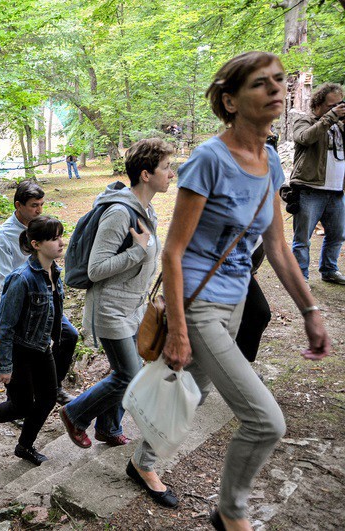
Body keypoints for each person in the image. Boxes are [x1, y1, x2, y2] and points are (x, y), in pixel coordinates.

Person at [155, 52, 329, 530]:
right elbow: (172, 251)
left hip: (234, 297)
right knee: (265, 421)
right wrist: (176, 328)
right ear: (230, 101)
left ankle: (143, 459)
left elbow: (276, 244)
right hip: (197, 302)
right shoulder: (209, 159)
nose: (276, 89)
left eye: (279, 81)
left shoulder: (271, 158)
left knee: (190, 390)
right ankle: (230, 515)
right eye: (261, 83)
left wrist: (311, 309)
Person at [60, 138, 174, 454]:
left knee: (132, 368)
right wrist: (137, 252)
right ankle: (75, 414)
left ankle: (109, 427)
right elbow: (97, 269)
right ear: (146, 174)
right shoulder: (119, 213)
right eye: (166, 167)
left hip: (133, 306)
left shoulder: (146, 209)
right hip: (110, 308)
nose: (171, 174)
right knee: (129, 376)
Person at [0, 216, 65, 466]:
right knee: (22, 406)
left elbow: (53, 315)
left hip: (41, 348)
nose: (60, 242)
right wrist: (4, 365)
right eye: (54, 238)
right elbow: (4, 327)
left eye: (60, 235)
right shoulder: (21, 278)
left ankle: (24, 446)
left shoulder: (55, 273)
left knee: (48, 399)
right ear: (36, 244)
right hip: (19, 351)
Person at [0, 180, 78, 405]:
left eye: (41, 204)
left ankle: (54, 386)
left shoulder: (41, 227)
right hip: (20, 301)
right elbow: (3, 278)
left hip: (44, 298)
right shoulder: (4, 236)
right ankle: (16, 403)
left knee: (68, 335)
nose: (39, 210)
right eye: (33, 205)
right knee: (20, 352)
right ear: (18, 205)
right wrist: (5, 313)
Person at [289, 82, 345, 284]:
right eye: (332, 106)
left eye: (339, 105)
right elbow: (304, 138)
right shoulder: (305, 121)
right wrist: (330, 118)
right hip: (310, 190)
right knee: (302, 239)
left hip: (337, 191)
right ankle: (300, 279)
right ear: (318, 104)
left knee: (337, 235)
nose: (336, 109)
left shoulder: (339, 125)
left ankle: (329, 270)